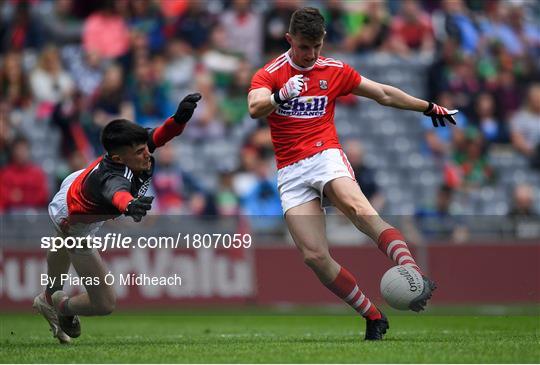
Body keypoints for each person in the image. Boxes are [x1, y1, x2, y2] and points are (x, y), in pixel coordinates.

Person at [248, 7, 457, 341]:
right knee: (314, 257)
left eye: (317, 46)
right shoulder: (270, 73)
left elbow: (383, 93)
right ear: (289, 40)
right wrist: (280, 95)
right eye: (304, 47)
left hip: (325, 154)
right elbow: (255, 106)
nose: (311, 54)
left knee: (359, 209)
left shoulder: (334, 70)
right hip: (290, 169)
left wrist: (428, 106)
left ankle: (414, 275)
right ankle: (372, 316)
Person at [33, 93, 202, 344]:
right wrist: (130, 205)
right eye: (139, 152)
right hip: (75, 216)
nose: (147, 155)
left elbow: (159, 136)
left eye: (145, 149)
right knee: (105, 303)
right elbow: (117, 193)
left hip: (81, 189)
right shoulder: (113, 177)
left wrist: (178, 120)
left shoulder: (132, 150)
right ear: (118, 159)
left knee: (60, 243)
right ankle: (61, 306)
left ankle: (48, 298)